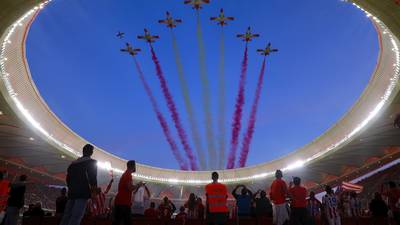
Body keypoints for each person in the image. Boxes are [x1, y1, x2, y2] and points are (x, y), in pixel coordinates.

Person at [60, 144, 97, 225]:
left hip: (72, 192)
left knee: (67, 215)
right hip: (82, 193)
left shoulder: (72, 164)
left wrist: (71, 188)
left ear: (83, 151)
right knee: (76, 216)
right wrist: (94, 194)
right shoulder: (91, 163)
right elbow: (93, 179)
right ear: (91, 152)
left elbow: (68, 179)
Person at [112, 160, 138, 225]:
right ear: (133, 166)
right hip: (123, 203)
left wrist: (137, 186)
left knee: (119, 222)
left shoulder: (126, 174)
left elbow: (130, 189)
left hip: (122, 202)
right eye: (135, 166)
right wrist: (138, 185)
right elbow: (130, 188)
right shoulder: (128, 175)